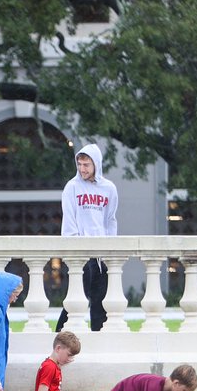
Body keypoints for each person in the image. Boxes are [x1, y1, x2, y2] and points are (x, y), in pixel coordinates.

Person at [56, 142, 117, 332]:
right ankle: (60, 335)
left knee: (100, 303)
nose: (82, 169)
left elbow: (110, 220)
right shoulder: (72, 187)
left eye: (86, 165)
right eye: (80, 164)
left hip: (101, 255)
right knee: (77, 300)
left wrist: (110, 250)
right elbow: (69, 220)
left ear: (96, 164)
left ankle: (98, 339)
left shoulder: (109, 188)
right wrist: (74, 250)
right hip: (81, 253)